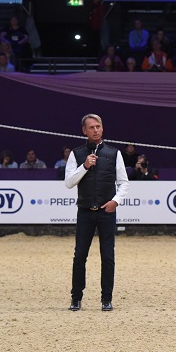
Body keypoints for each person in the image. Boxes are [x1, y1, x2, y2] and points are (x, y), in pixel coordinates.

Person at [65, 113, 129, 312]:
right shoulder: (76, 154)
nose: (95, 130)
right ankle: (76, 298)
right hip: (84, 212)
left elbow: (124, 182)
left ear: (102, 128)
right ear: (84, 130)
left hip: (106, 212)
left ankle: (106, 299)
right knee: (80, 256)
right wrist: (85, 166)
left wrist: (115, 201)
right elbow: (69, 182)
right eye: (91, 127)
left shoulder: (113, 153)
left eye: (98, 126)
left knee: (107, 256)